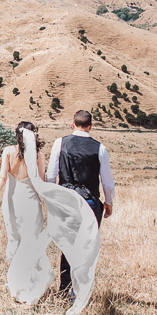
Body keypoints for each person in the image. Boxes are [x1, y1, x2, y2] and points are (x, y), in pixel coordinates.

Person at [0, 121, 101, 314]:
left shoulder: (7, 152)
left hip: (11, 202)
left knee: (15, 241)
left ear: (17, 134)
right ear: (33, 136)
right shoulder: (38, 155)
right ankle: (27, 286)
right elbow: (44, 182)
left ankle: (18, 286)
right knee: (31, 243)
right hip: (30, 204)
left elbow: (1, 178)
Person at [46, 109, 115, 297]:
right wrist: (108, 202)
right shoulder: (99, 148)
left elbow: (51, 175)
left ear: (72, 124)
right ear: (90, 126)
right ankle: (78, 292)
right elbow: (107, 181)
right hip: (90, 203)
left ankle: (65, 290)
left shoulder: (60, 143)